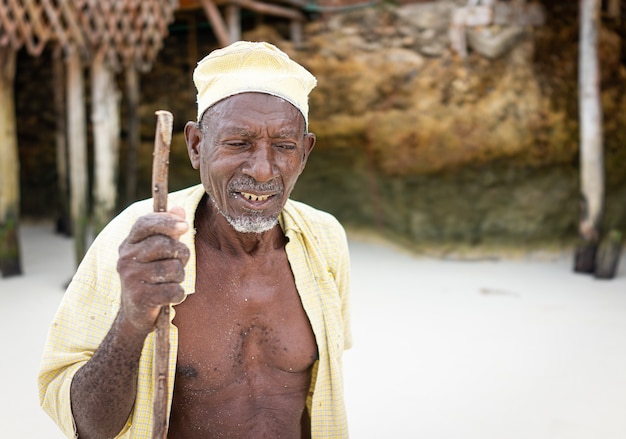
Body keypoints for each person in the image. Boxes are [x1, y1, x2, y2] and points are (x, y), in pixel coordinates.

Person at [38, 41, 351, 439]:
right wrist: (132, 320)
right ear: (196, 146)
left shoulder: (323, 240)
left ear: (304, 153)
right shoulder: (138, 239)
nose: (261, 170)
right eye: (238, 143)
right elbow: (87, 426)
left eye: (284, 146)